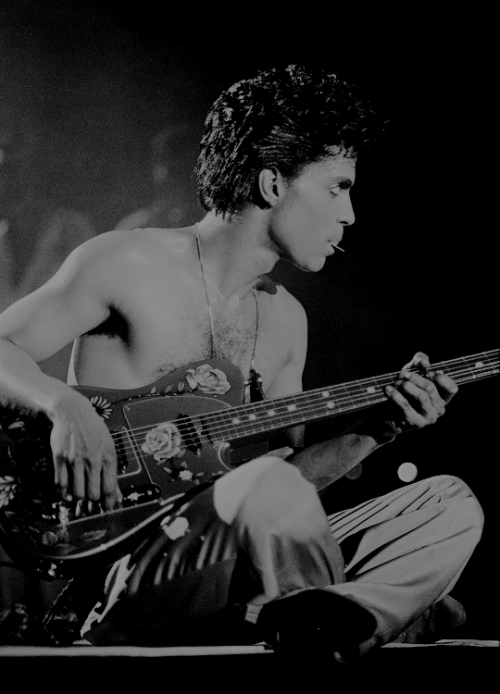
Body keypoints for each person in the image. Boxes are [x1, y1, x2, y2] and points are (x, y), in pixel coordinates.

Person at [0, 65, 483, 659]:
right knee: (268, 487)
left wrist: (376, 431)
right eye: (338, 187)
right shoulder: (128, 263)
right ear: (273, 185)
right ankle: (378, 614)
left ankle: (335, 617)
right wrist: (63, 403)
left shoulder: (286, 321)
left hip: (244, 569)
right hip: (144, 569)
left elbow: (290, 485)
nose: (351, 214)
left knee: (447, 503)